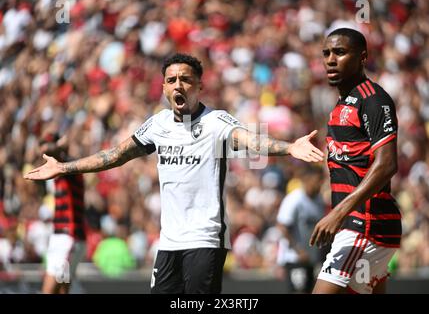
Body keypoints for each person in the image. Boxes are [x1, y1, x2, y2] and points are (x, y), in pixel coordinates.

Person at [24, 53, 324, 294]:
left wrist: (289, 147)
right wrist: (63, 167)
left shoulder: (216, 122)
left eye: (185, 79)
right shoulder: (158, 125)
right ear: (164, 88)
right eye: (172, 80)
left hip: (205, 239)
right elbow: (114, 156)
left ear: (199, 86)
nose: (178, 85)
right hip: (169, 243)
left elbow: (252, 141)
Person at [309, 28, 401, 294]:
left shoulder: (373, 100)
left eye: (339, 52)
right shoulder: (341, 104)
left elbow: (387, 164)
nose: (330, 59)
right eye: (326, 53)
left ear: (362, 57)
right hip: (361, 225)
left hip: (364, 224)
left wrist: (338, 213)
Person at [38, 133, 87, 294]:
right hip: (61, 238)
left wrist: (57, 147)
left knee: (49, 290)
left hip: (68, 237)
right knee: (63, 290)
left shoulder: (69, 167)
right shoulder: (56, 173)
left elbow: (56, 154)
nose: (44, 151)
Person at [276, 165, 326, 293]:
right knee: (298, 291)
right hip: (295, 258)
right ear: (306, 179)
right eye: (317, 180)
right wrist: (298, 250)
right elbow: (282, 226)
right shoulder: (294, 199)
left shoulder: (319, 200)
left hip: (311, 258)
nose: (319, 184)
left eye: (321, 180)